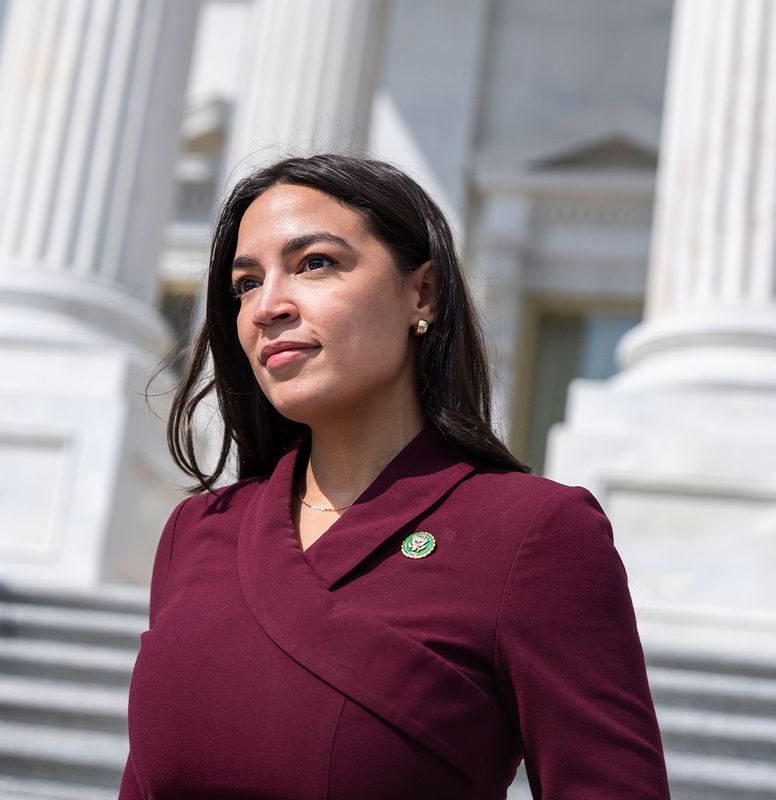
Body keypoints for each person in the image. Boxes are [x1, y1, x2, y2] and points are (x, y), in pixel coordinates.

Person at [119, 154, 670, 799]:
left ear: (423, 293)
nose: (266, 306)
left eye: (314, 263)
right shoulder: (197, 530)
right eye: (245, 283)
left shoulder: (533, 534)